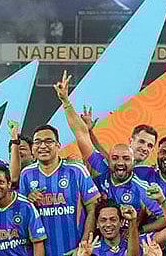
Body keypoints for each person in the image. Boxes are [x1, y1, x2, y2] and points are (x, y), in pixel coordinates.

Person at [56, 72, 156, 206]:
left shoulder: (150, 174)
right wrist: (66, 102)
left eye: (150, 145)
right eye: (142, 142)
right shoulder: (102, 166)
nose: (144, 148)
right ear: (131, 140)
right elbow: (81, 135)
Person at [17, 121, 100, 256]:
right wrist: (28, 202)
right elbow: (21, 219)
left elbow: (93, 209)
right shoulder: (26, 174)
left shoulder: (76, 170)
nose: (43, 145)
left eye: (48, 141)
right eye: (38, 142)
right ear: (33, 148)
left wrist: (83, 246)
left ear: (58, 145)